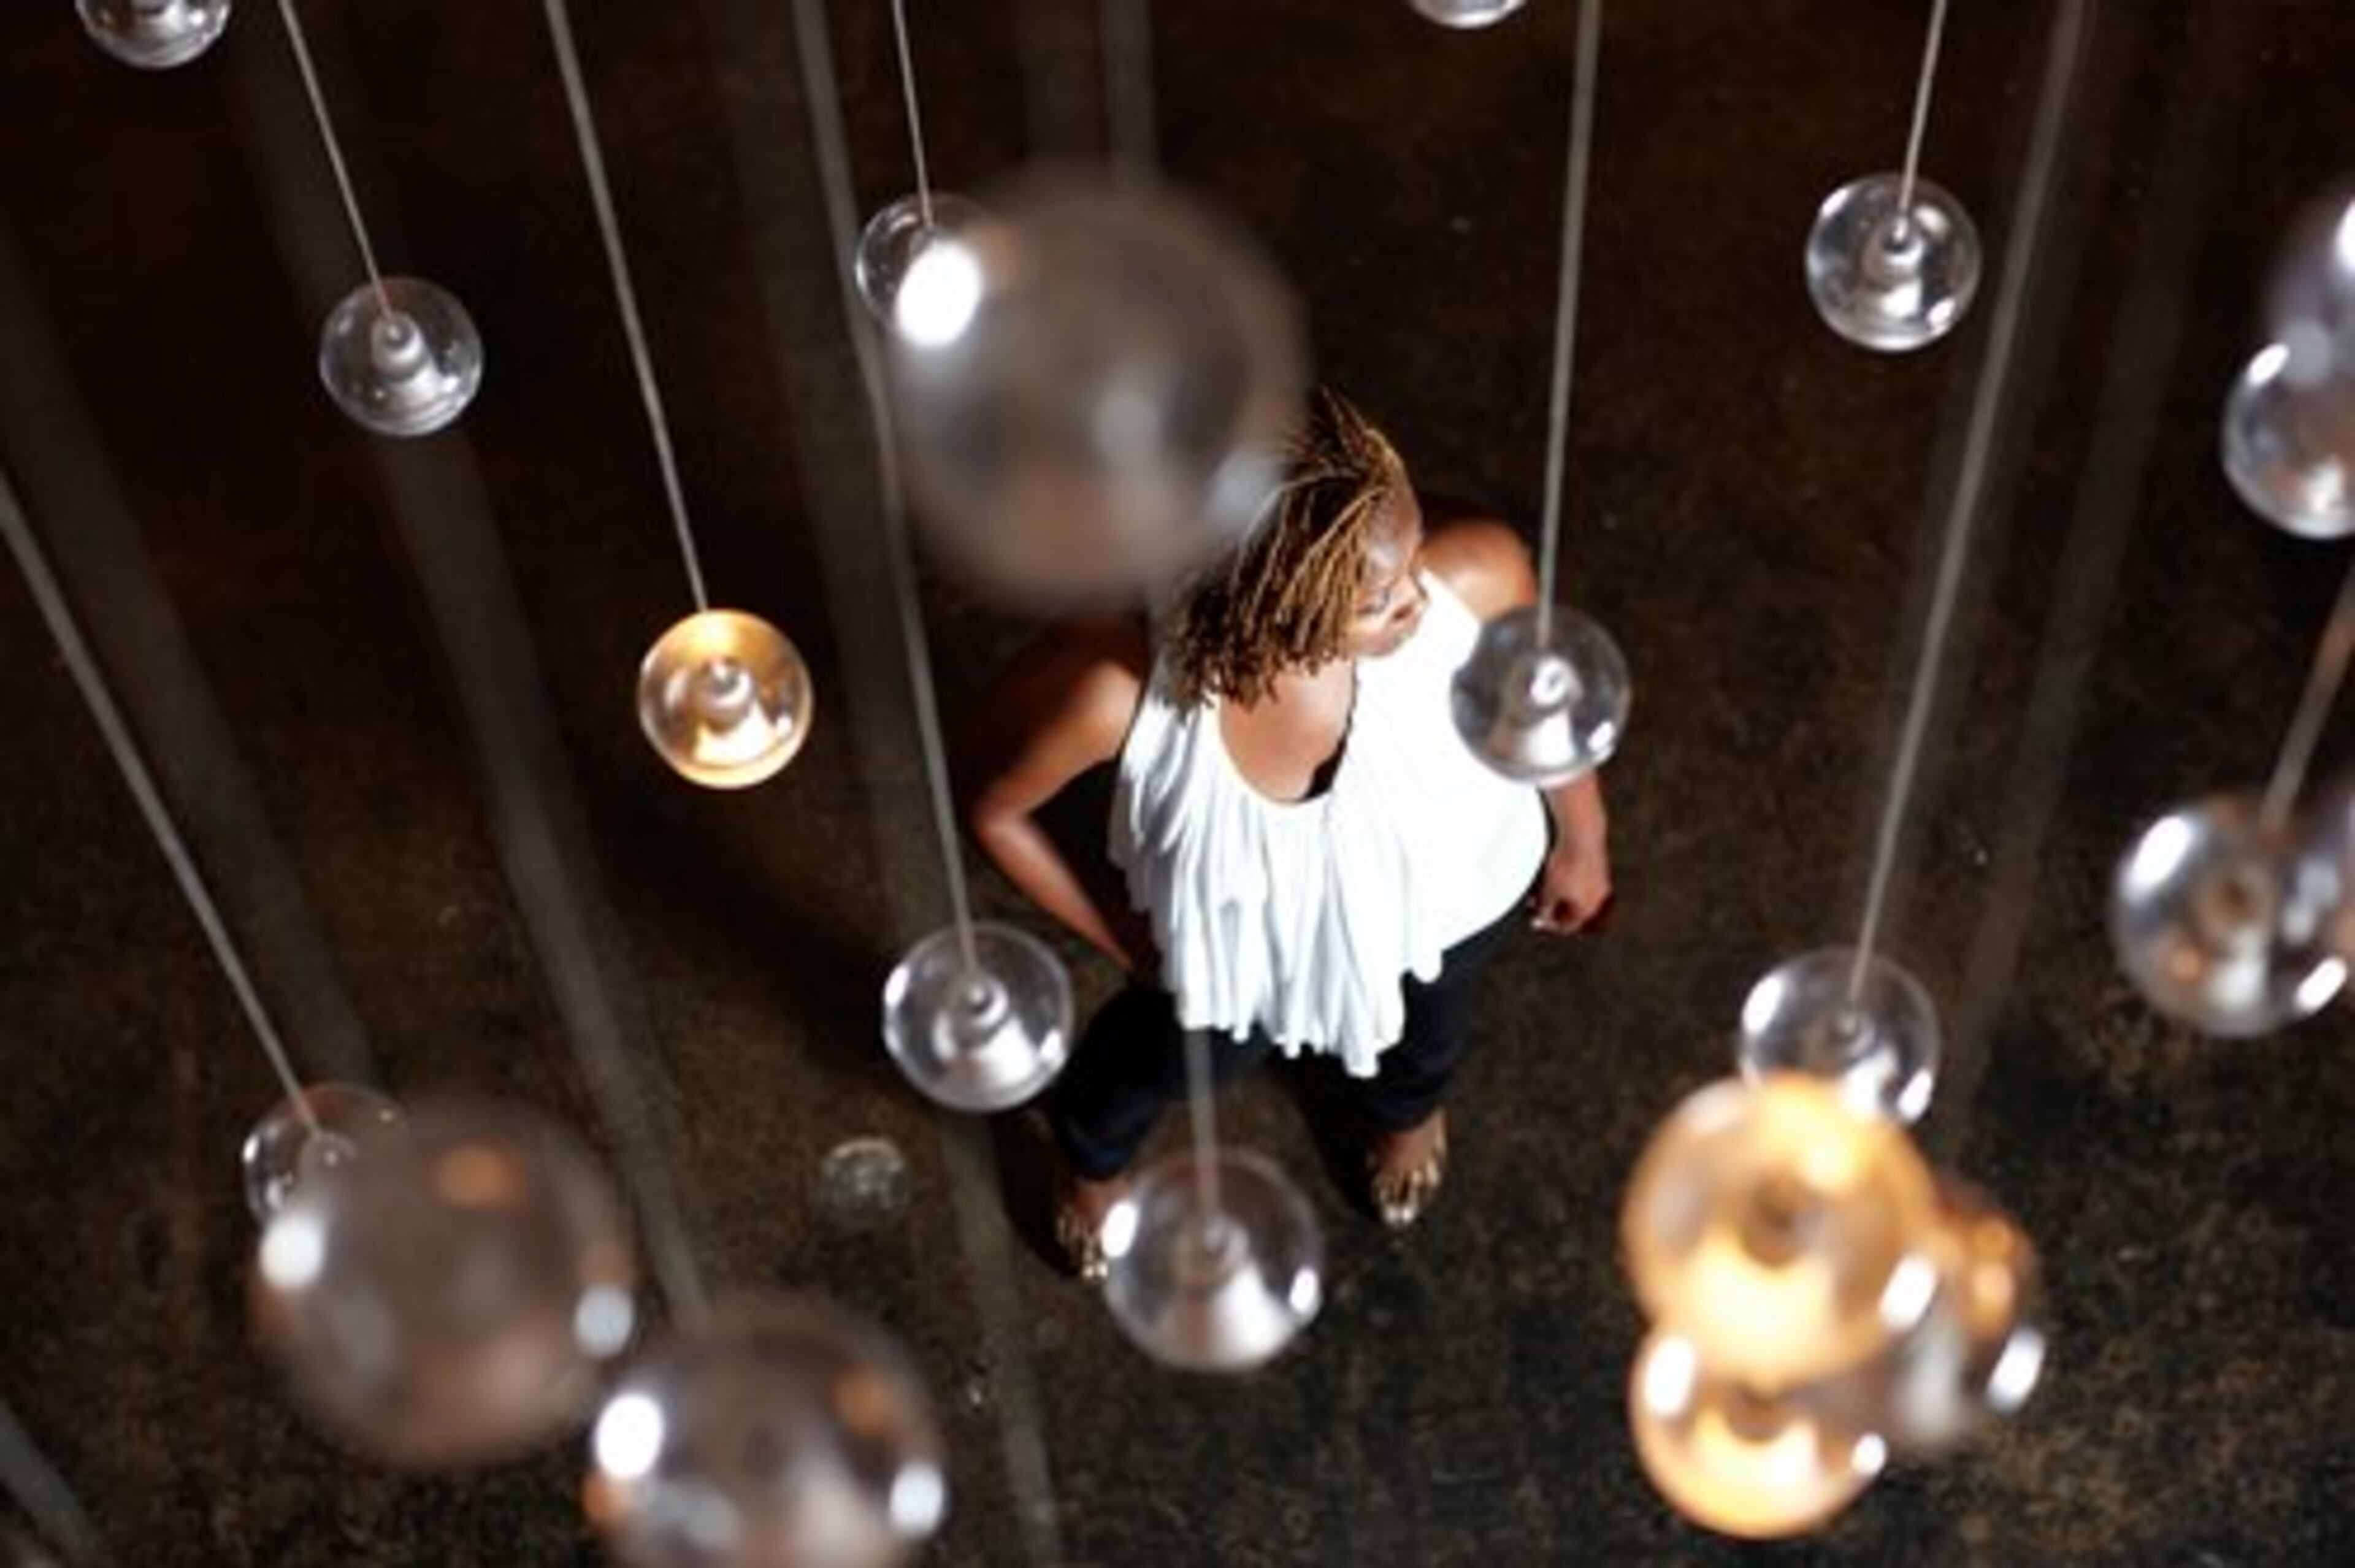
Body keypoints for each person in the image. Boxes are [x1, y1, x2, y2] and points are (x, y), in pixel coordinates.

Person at [962, 387, 1612, 1279]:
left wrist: (1584, 830)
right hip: (1237, 954)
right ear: (1270, 608)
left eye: (1413, 556)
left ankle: (1406, 1110)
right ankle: (1088, 1156)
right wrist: (1122, 937)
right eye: (1380, 599)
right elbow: (995, 808)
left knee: (1431, 1033)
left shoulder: (1478, 571)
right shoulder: (1114, 686)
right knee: (1162, 1063)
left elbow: (1540, 702)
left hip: (1451, 900)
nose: (1418, 601)